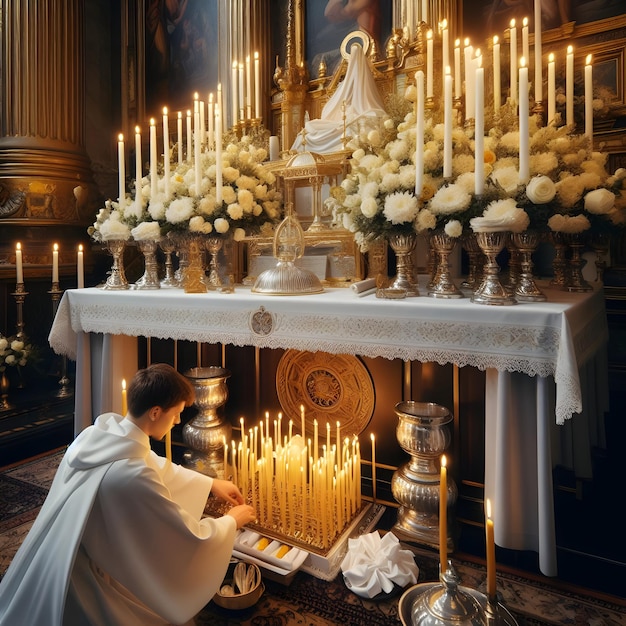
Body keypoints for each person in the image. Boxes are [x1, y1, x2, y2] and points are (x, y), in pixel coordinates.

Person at [0, 363, 256, 626]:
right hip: (81, 579)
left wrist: (210, 483)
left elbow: (153, 463)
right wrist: (231, 522)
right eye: (177, 413)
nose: (178, 421)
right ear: (156, 412)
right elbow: (183, 534)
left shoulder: (102, 435)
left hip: (57, 548)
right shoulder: (131, 476)